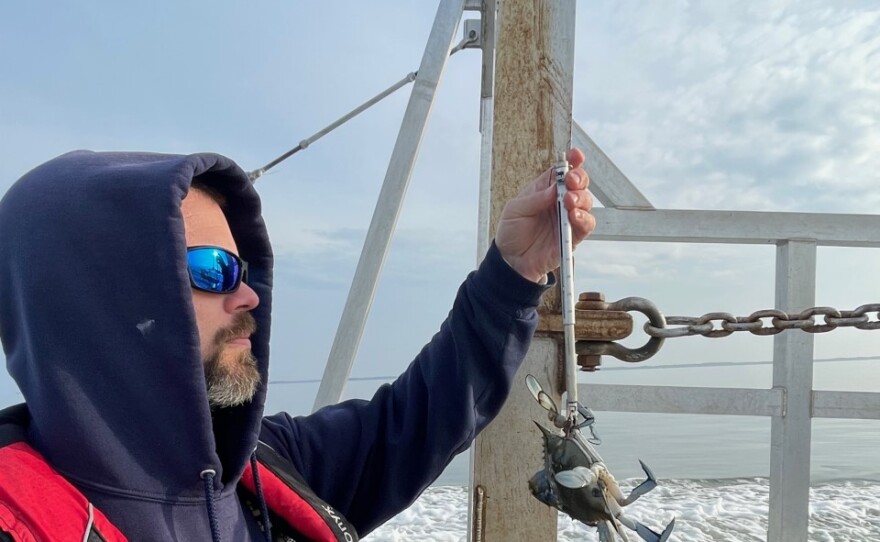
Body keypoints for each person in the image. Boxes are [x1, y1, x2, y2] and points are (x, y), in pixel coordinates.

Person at [0, 148, 594, 541]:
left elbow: (418, 419)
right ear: (100, 294)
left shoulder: (266, 469)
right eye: (211, 270)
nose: (247, 297)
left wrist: (514, 273)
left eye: (242, 268)